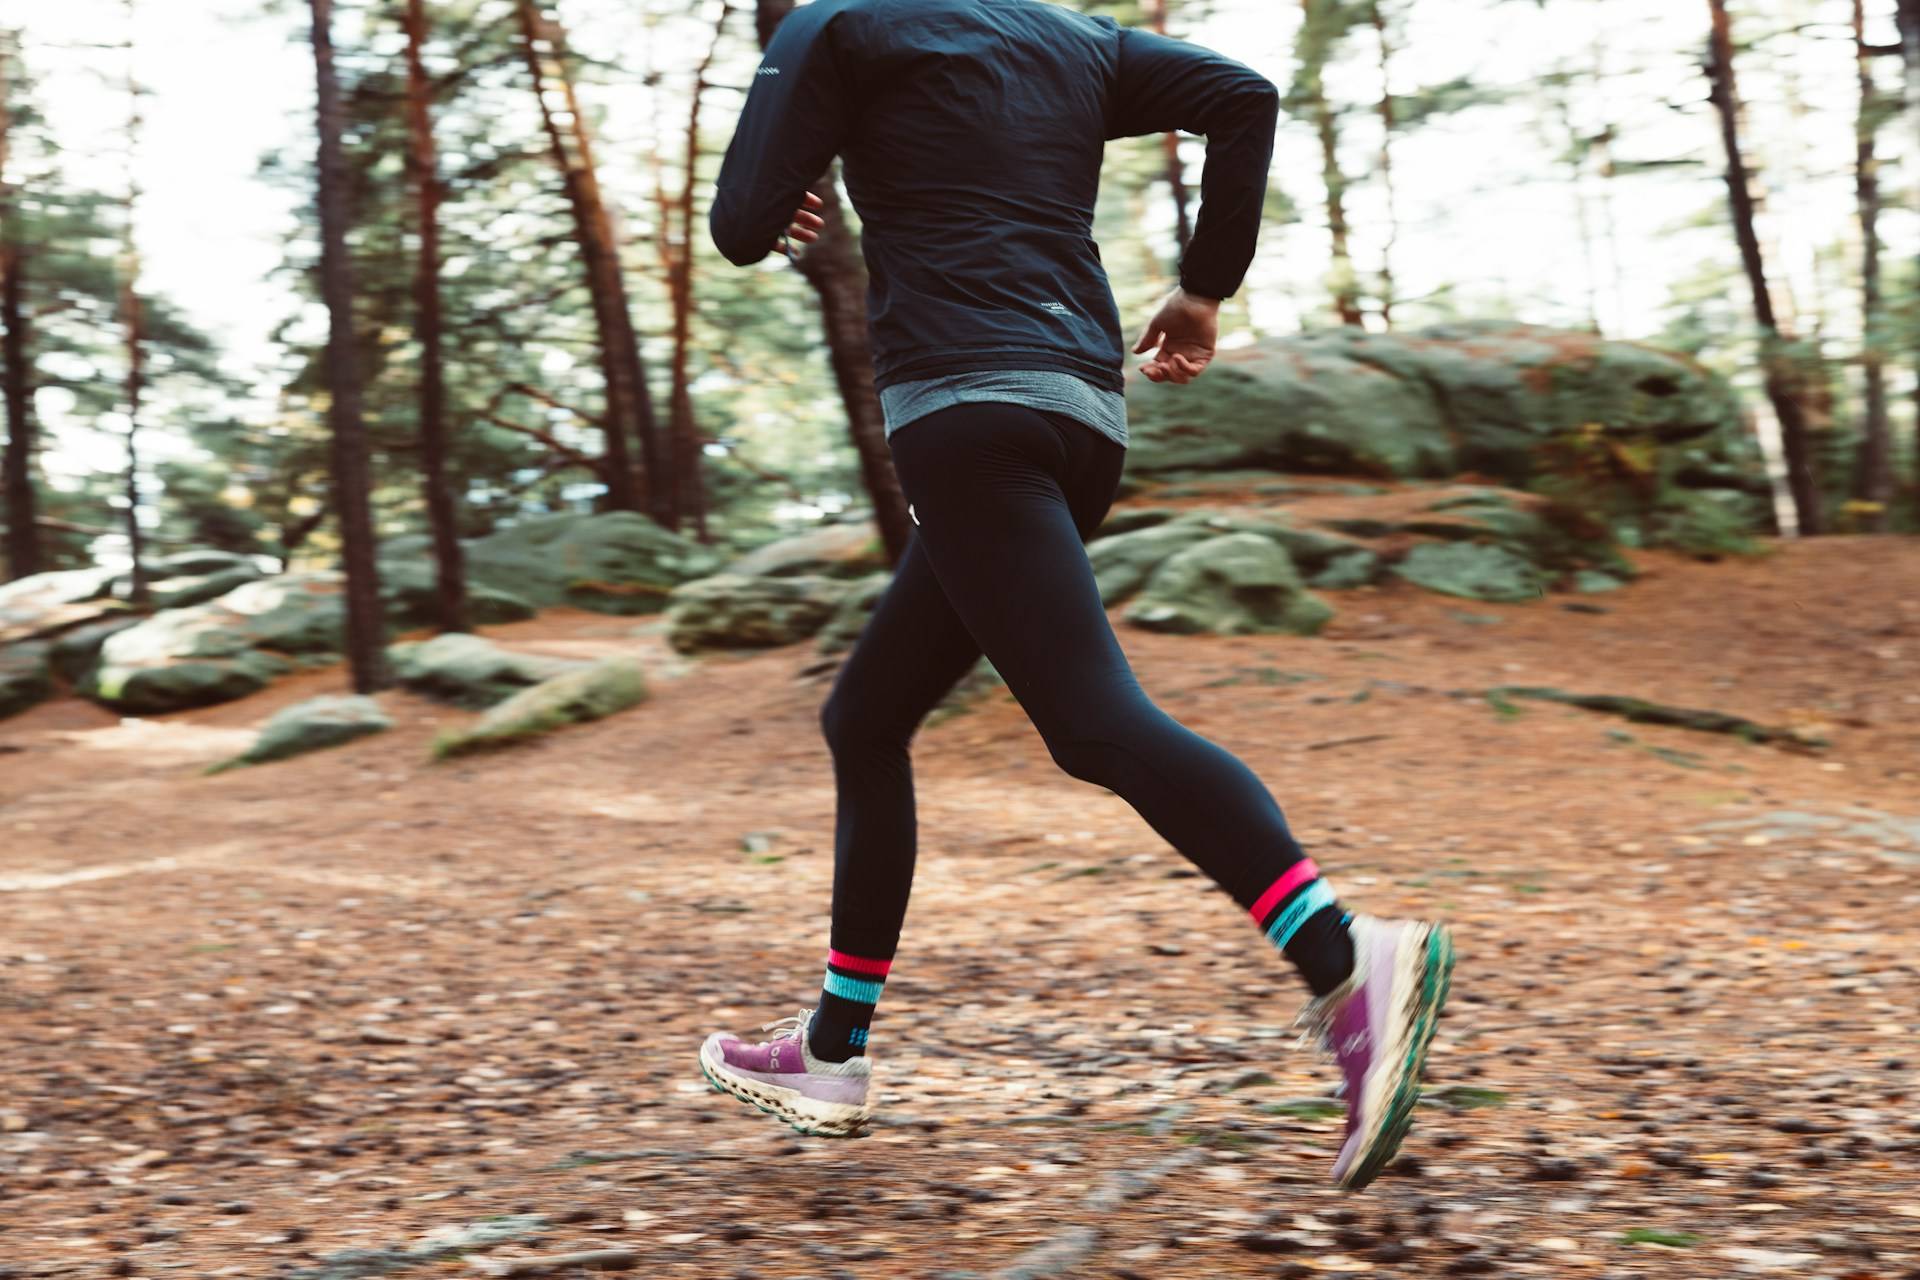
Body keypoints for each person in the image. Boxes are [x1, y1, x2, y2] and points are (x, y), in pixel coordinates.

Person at [698, 0, 1451, 1191]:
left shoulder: (840, 29)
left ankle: (1345, 956)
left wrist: (781, 185)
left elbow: (741, 225)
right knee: (867, 715)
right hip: (1081, 417)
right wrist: (1206, 287)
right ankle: (832, 1051)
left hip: (963, 415)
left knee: (1095, 725)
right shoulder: (1075, 39)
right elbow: (1242, 96)